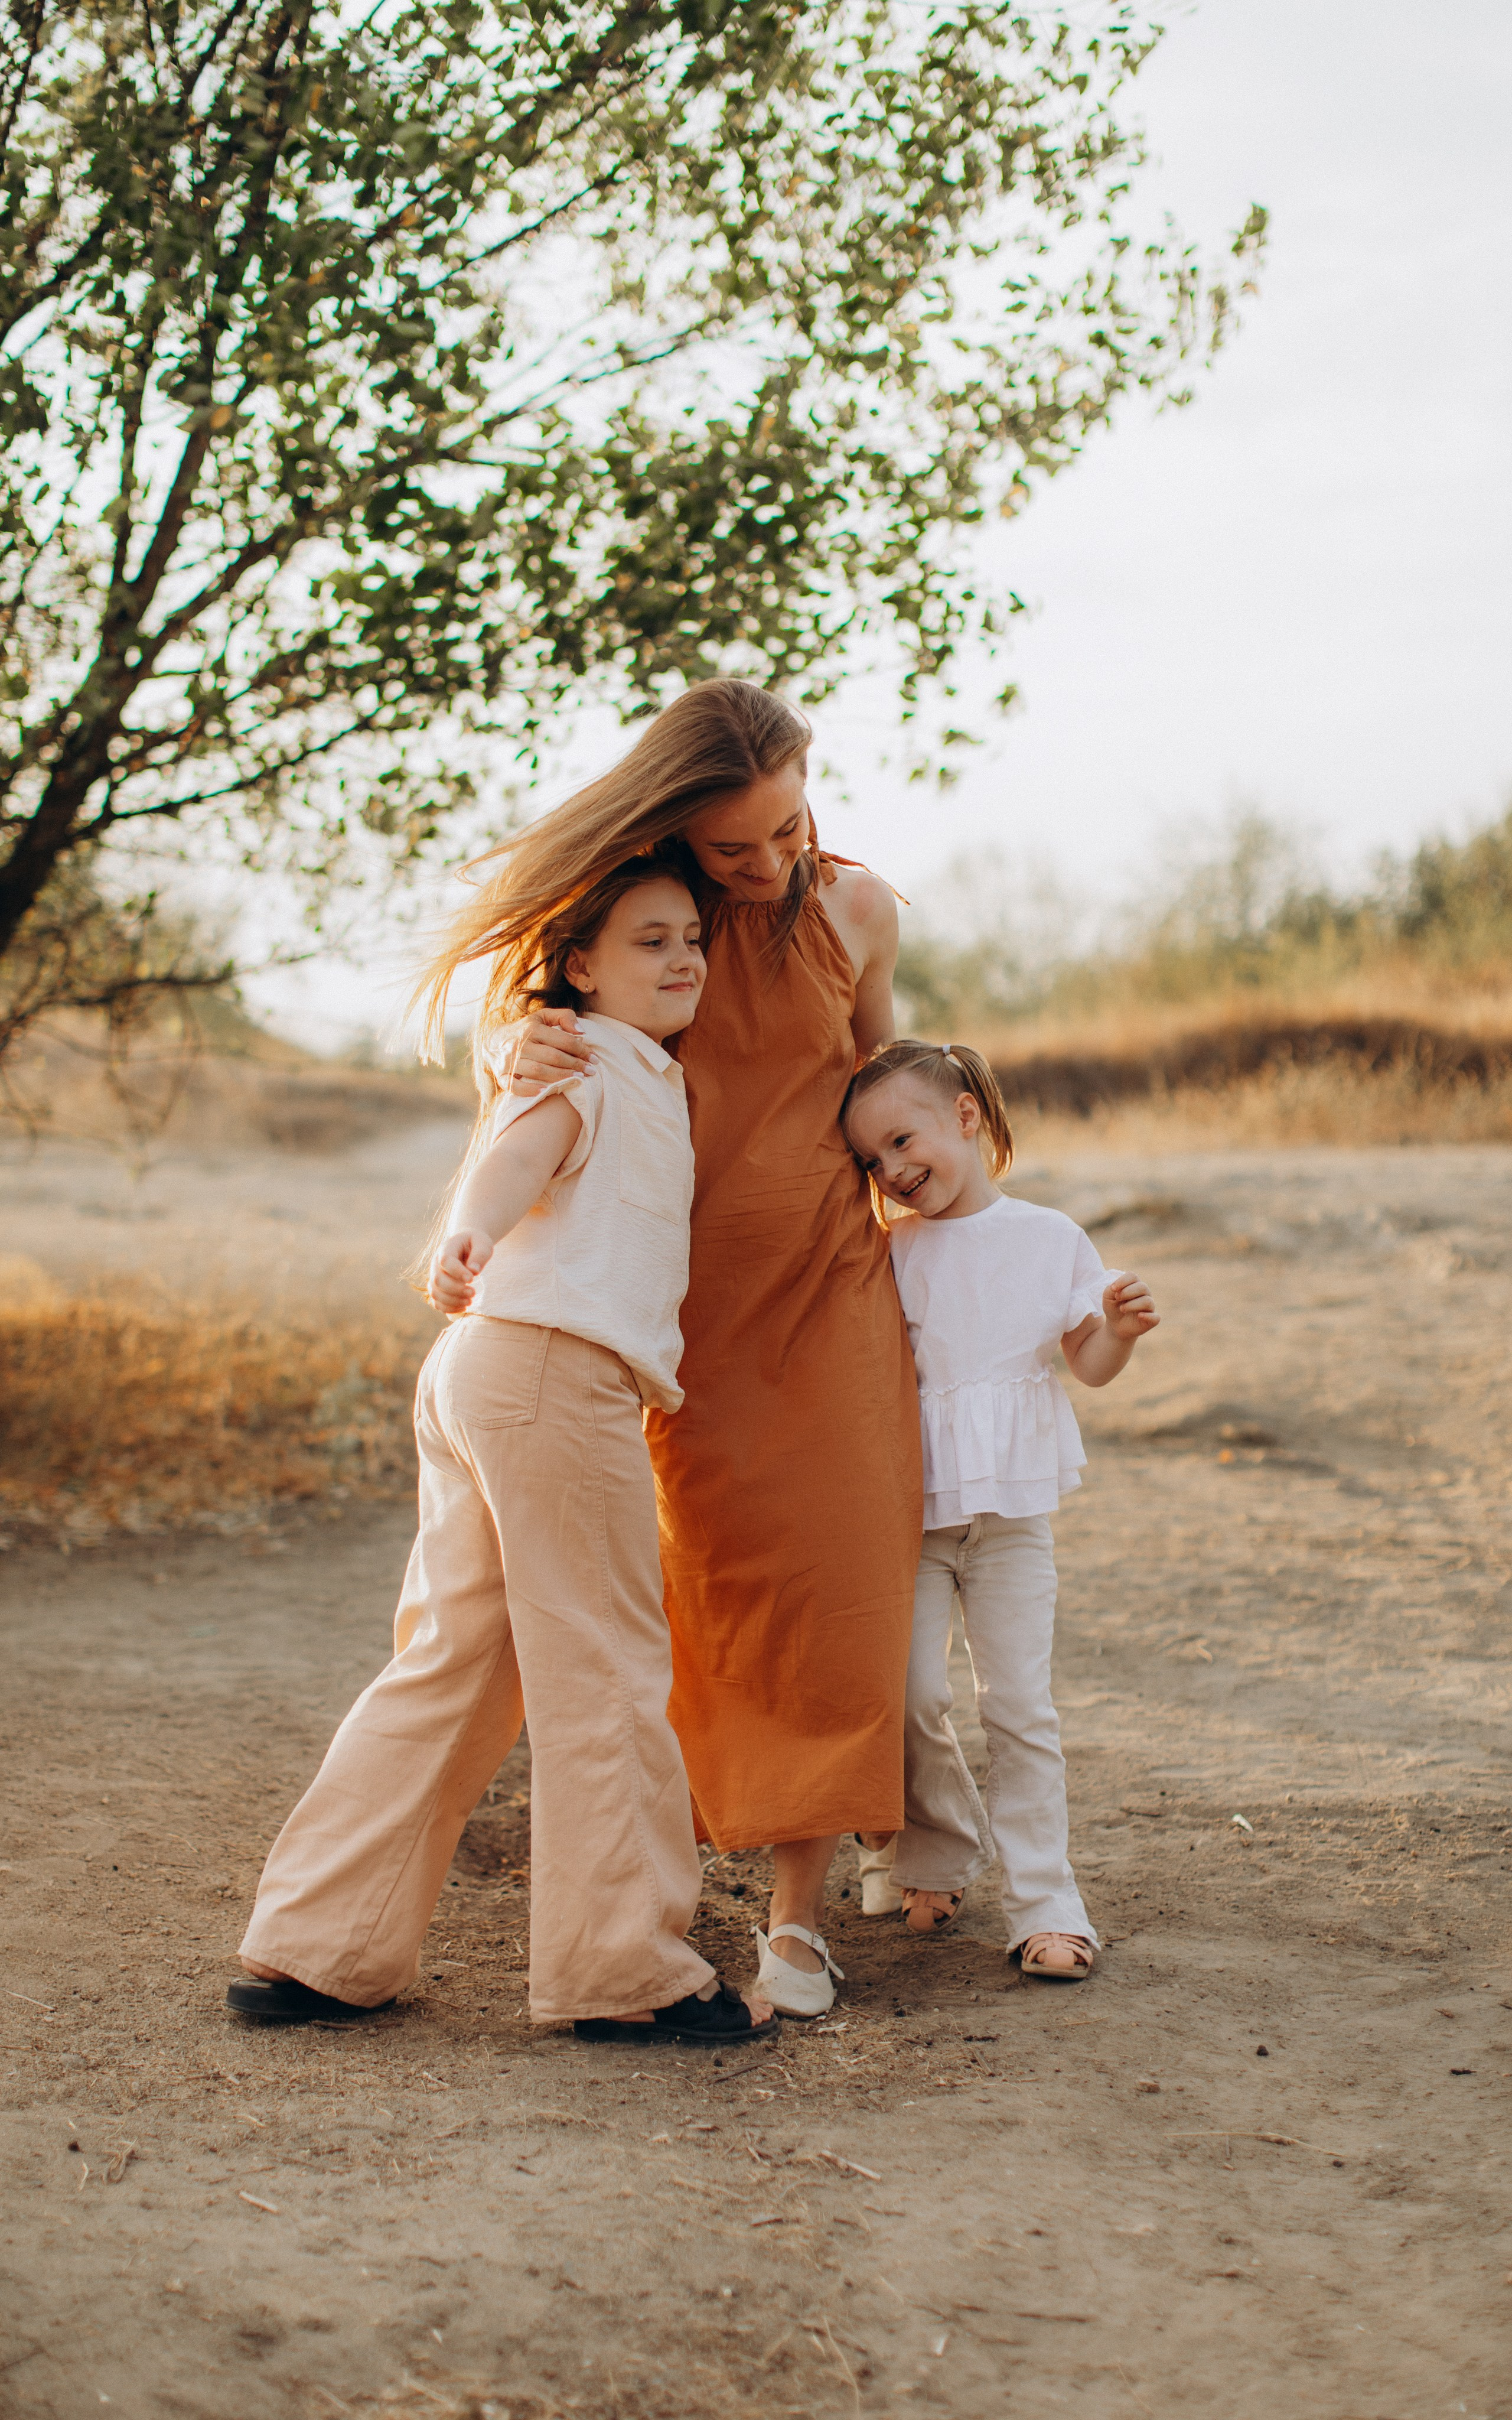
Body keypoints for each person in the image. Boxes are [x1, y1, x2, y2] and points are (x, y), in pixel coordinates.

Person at [229, 858, 774, 2047]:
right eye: (649, 941)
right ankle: (626, 1968)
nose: (683, 958)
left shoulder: (631, 1063)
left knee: (461, 1660)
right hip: (548, 1373)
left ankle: (320, 1947)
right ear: (581, 965)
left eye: (691, 938)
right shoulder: (586, 1060)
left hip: (495, 1371)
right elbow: (517, 1156)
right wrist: (468, 1232)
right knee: (607, 1662)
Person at [498, 681, 921, 2018]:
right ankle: (679, 1865)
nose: (766, 863)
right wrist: (511, 1050)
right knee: (704, 1593)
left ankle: (796, 1920)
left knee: (841, 1582)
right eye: (733, 845)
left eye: (785, 829)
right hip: (674, 1310)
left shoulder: (857, 910)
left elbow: (879, 1084)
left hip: (830, 1288)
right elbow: (537, 1054)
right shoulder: (639, 917)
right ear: (677, 823)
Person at [840, 1038, 1160, 1983]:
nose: (894, 1172)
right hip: (913, 1522)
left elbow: (1087, 1363)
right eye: (872, 1161)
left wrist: (1119, 1332)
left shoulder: (1049, 1238)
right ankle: (933, 1852)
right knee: (910, 1695)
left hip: (1011, 1524)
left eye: (904, 1141)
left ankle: (1047, 1906)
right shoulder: (889, 1253)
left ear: (966, 1116)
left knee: (1018, 1707)